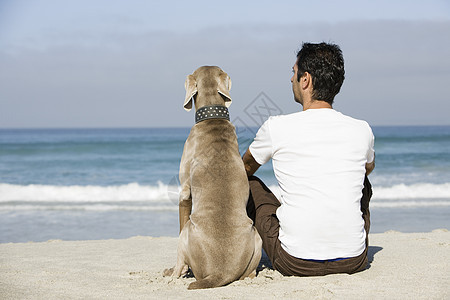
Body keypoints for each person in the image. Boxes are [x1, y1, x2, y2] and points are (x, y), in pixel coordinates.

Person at [242, 42, 375, 276]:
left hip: (294, 261)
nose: (291, 80)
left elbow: (243, 169)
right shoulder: (361, 129)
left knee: (248, 184)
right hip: (353, 260)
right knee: (362, 181)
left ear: (306, 80)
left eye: (293, 73)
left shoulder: (276, 127)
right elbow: (367, 169)